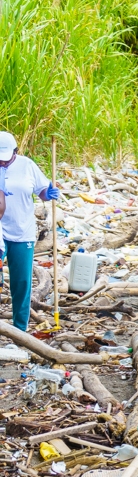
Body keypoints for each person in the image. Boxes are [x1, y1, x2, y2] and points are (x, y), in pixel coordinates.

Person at [0, 132, 59, 331]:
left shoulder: (27, 166)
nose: (3, 162)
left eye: (6, 158)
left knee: (22, 281)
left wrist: (48, 193)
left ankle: (19, 329)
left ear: (15, 152)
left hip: (21, 230)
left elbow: (42, 191)